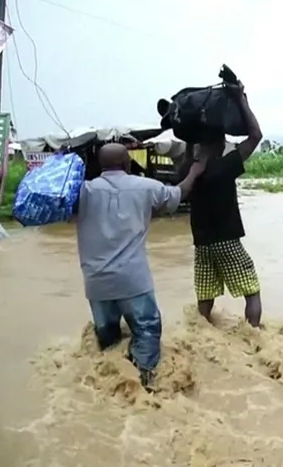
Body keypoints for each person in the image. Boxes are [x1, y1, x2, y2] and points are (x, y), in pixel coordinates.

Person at [75, 143, 204, 391]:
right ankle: (144, 384)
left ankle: (111, 386)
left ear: (101, 165)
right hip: (133, 280)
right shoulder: (145, 187)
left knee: (108, 338)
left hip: (96, 283)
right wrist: (195, 171)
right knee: (147, 330)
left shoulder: (83, 191)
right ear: (127, 163)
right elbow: (177, 194)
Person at [190, 82, 265, 328]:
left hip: (201, 244)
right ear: (219, 145)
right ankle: (253, 335)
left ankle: (200, 335)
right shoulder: (224, 167)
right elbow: (255, 136)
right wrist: (241, 99)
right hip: (227, 241)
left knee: (205, 294)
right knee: (251, 288)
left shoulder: (190, 172)